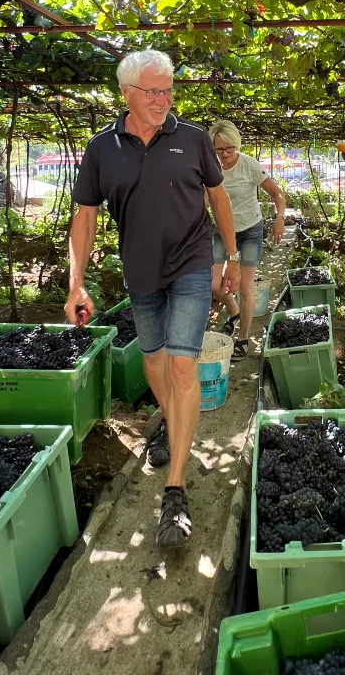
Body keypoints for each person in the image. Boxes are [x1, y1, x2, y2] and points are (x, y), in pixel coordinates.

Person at [65, 50, 240, 547]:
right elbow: (85, 217)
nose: (163, 100)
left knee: (183, 367)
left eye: (168, 90)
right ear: (126, 92)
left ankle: (175, 491)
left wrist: (226, 256)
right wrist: (76, 283)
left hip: (189, 266)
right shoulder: (102, 148)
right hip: (140, 274)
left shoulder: (192, 140)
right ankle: (170, 420)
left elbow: (219, 197)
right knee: (154, 363)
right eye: (152, 91)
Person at [208, 120, 286, 360]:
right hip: (221, 230)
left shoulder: (250, 165)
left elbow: (277, 194)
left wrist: (279, 217)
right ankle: (233, 311)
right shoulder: (210, 168)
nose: (225, 154)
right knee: (214, 285)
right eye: (219, 149)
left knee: (245, 286)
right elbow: (203, 201)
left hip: (250, 229)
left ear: (237, 145)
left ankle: (242, 338)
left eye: (230, 148)